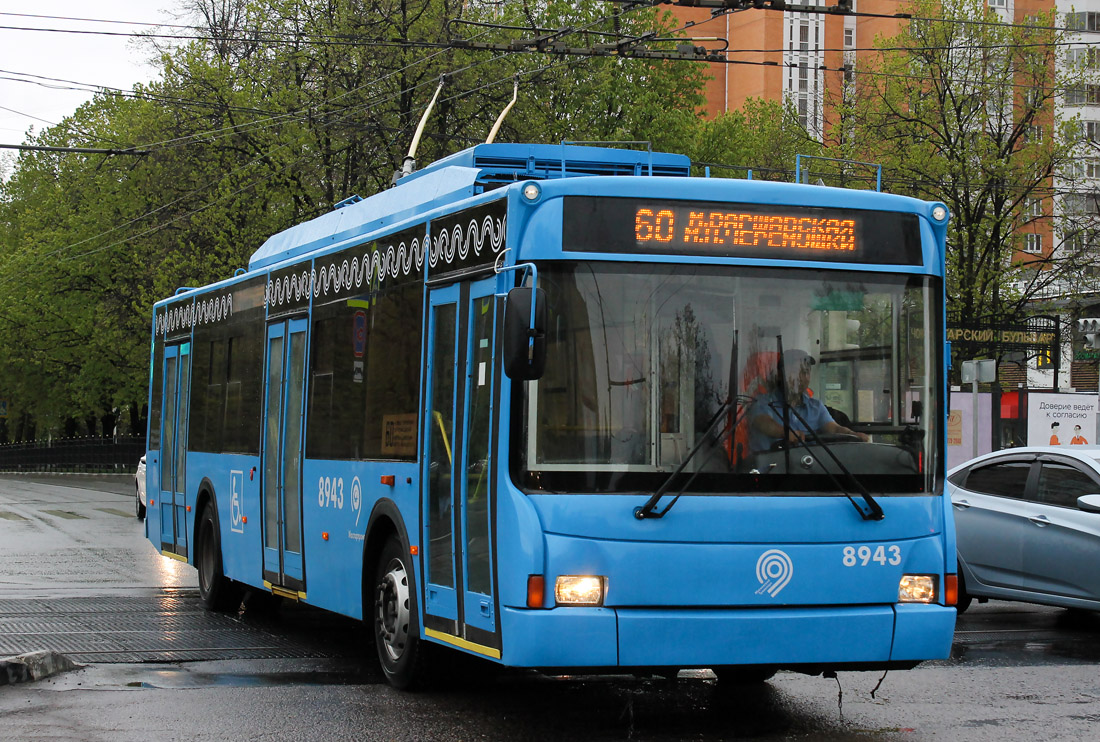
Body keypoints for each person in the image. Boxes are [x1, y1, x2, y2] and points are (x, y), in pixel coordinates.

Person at [749, 349, 869, 451]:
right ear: (780, 375)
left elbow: (834, 428)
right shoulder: (763, 402)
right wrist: (786, 433)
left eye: (805, 372)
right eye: (795, 372)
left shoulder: (816, 407)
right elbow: (764, 423)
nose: (801, 377)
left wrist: (852, 434)